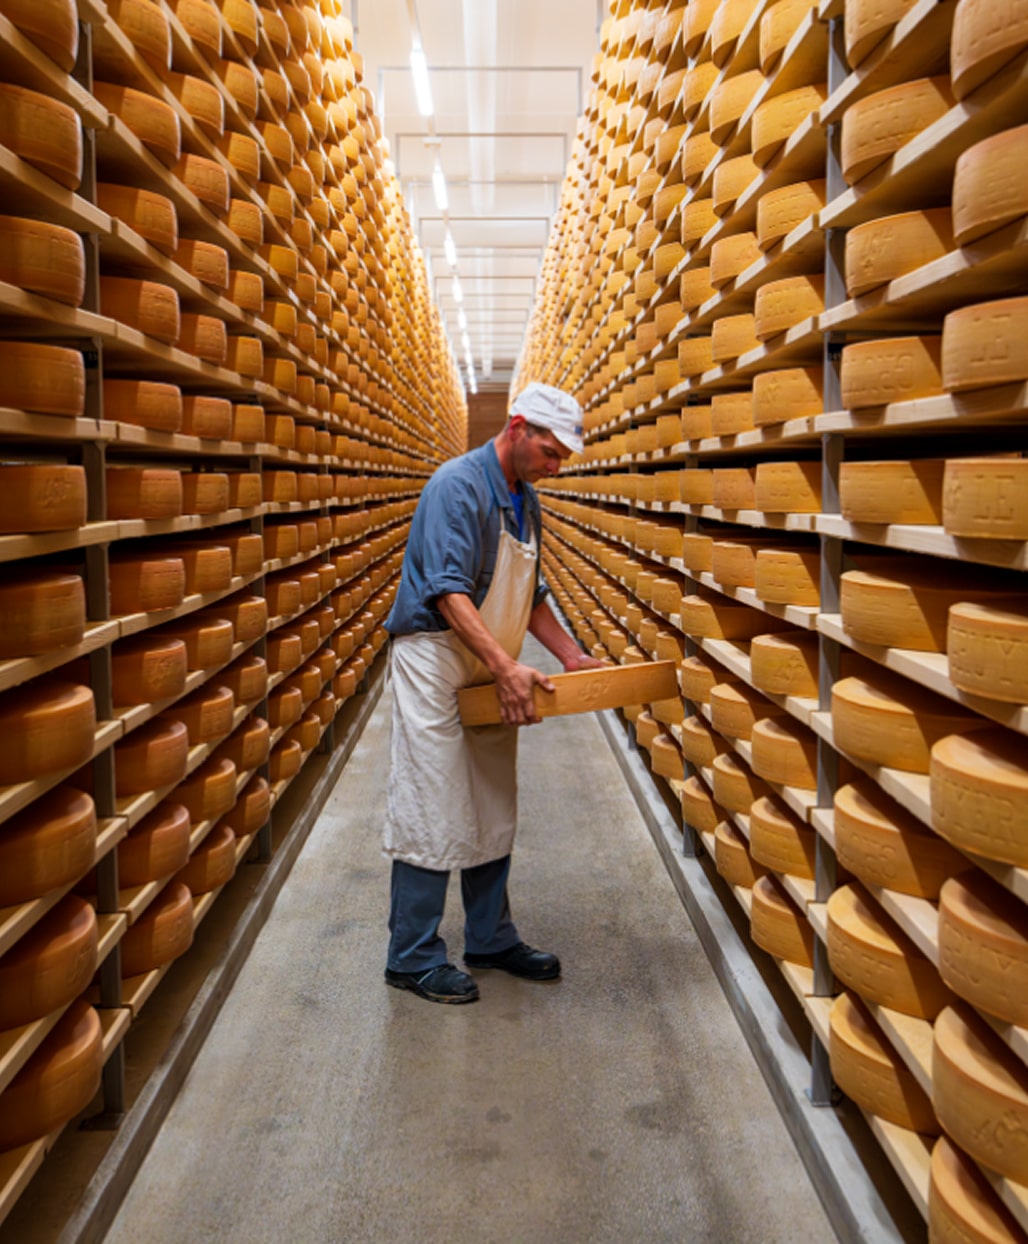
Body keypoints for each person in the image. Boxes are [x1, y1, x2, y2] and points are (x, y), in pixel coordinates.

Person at [382, 381, 606, 1004]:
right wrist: (505, 666)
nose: (555, 467)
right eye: (550, 452)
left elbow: (529, 594)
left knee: (491, 797)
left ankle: (489, 938)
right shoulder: (456, 485)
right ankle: (411, 956)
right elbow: (447, 591)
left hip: (489, 656)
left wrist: (569, 655)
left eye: (563, 457)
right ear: (516, 428)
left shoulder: (525, 500)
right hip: (435, 655)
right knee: (431, 798)